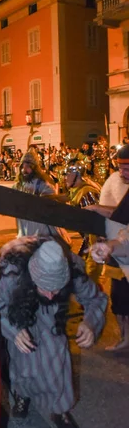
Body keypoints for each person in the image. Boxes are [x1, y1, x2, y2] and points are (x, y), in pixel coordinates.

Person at [0, 237, 107, 428]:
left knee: (56, 357)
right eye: (45, 287)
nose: (50, 295)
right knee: (21, 358)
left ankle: (59, 408)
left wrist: (89, 323)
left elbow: (96, 299)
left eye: (56, 288)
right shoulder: (12, 274)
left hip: (52, 320)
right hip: (20, 315)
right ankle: (22, 395)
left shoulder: (71, 270)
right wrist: (13, 330)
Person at [86, 144, 129, 350]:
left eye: (127, 168)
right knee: (119, 299)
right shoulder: (115, 182)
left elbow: (121, 215)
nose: (123, 172)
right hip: (120, 254)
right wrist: (111, 245)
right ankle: (124, 337)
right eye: (121, 167)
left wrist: (97, 208)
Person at [12, 151, 70, 243]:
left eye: (28, 166)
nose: (24, 170)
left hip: (41, 230)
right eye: (23, 166)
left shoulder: (42, 184)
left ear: (34, 168)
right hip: (24, 228)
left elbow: (51, 201)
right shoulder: (18, 185)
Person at [63, 159, 102, 283]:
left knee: (89, 283)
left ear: (77, 175)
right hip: (89, 242)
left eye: (67, 174)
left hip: (96, 245)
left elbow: (95, 228)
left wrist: (93, 258)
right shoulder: (78, 190)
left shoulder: (87, 193)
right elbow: (66, 197)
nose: (65, 178)